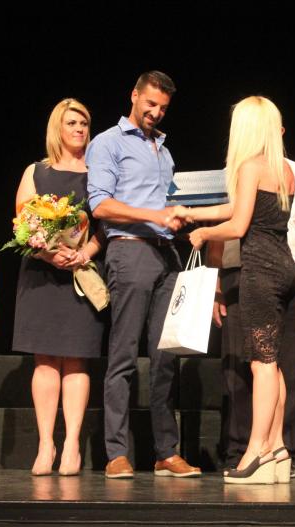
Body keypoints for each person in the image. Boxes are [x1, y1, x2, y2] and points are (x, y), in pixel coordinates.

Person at [87, 71, 201, 479]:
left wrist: (185, 218)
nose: (156, 112)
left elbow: (167, 206)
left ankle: (165, 451)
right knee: (123, 355)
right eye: (150, 103)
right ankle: (116, 453)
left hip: (166, 255)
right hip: (130, 251)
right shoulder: (108, 142)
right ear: (134, 95)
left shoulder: (163, 152)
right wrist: (154, 215)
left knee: (165, 357)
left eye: (163, 108)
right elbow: (100, 205)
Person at [180, 95, 295, 484]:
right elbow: (238, 208)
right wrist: (191, 213)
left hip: (260, 270)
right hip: (285, 267)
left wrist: (203, 234)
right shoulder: (284, 169)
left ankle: (256, 452)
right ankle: (278, 448)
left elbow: (237, 225)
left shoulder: (250, 166)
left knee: (261, 364)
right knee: (273, 363)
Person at [206, 155, 295, 479]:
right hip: (238, 273)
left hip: (287, 271)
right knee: (239, 366)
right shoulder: (231, 172)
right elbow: (220, 233)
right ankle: (241, 450)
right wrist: (214, 285)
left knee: (283, 365)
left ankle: (280, 449)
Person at [12, 98, 106, 476]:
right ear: (58, 128)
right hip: (42, 275)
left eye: (84, 123)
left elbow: (106, 227)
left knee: (77, 359)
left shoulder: (98, 174)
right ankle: (46, 444)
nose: (79, 129)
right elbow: (22, 224)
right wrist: (49, 254)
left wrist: (84, 253)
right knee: (46, 360)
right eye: (72, 123)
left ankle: (72, 446)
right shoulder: (36, 171)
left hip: (80, 276)